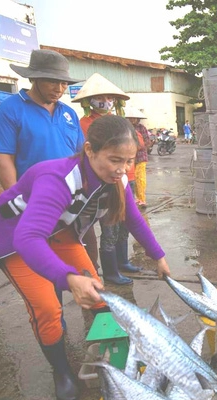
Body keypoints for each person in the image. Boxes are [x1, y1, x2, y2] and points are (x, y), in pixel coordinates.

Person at [0, 115, 170, 400]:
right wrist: (68, 278)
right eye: (115, 160)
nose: (122, 169)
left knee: (98, 293)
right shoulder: (57, 179)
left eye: (129, 161)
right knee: (47, 308)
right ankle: (61, 371)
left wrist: (158, 255)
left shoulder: (116, 179)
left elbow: (133, 220)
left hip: (58, 231)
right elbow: (27, 238)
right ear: (89, 150)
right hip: (15, 239)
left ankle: (115, 356)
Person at [72, 73, 141, 285]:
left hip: (127, 178)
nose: (106, 101)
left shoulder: (120, 121)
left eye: (110, 97)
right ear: (88, 101)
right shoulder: (85, 123)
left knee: (125, 223)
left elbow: (137, 143)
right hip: (106, 182)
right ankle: (111, 271)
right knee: (109, 226)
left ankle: (122, 261)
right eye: (101, 97)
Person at [0, 49, 84, 190]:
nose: (59, 89)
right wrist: (14, 199)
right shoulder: (9, 109)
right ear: (33, 79)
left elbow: (80, 154)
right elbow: (4, 158)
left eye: (64, 83)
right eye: (52, 81)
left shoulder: (69, 113)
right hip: (33, 194)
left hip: (70, 194)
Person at [125, 107, 151, 207]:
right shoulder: (125, 128)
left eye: (133, 118)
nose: (132, 120)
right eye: (130, 118)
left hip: (140, 157)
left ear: (137, 118)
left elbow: (147, 142)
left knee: (140, 178)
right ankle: (135, 198)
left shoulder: (141, 128)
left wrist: (139, 147)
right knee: (132, 179)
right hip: (129, 158)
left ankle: (142, 199)